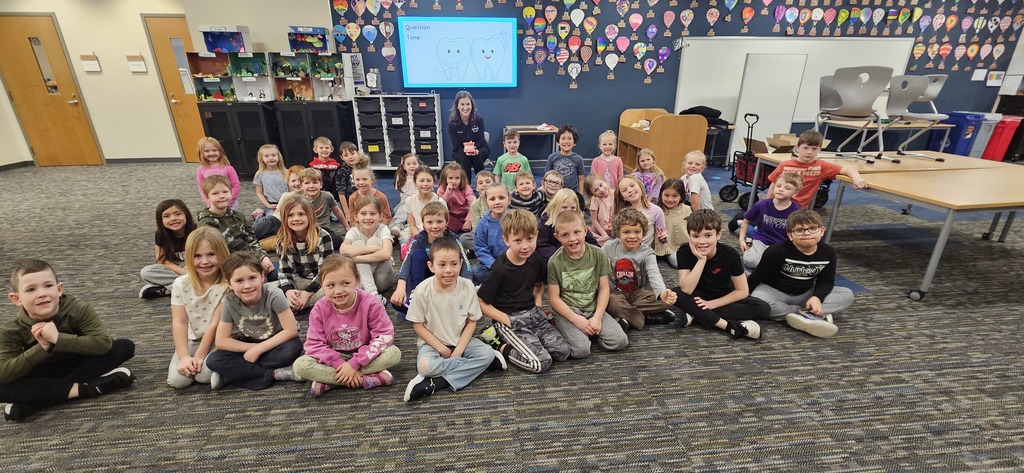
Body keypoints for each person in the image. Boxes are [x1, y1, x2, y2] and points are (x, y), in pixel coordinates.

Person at [0, 259, 136, 422]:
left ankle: (39, 401)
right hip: (43, 371)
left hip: (78, 361)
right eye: (30, 289)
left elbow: (103, 344)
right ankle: (88, 389)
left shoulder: (78, 309)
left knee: (123, 347)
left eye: (48, 286)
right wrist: (43, 348)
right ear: (16, 299)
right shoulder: (10, 330)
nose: (42, 293)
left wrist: (58, 339)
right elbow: (4, 373)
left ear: (59, 289)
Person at [403, 237, 499, 402]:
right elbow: (418, 327)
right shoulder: (422, 291)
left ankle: (439, 382)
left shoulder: (467, 286)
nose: (448, 270)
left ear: (461, 264)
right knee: (426, 367)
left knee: (486, 353)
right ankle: (477, 365)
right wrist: (444, 350)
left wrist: (459, 350)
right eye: (442, 265)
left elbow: (471, 321)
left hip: (461, 339)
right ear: (431, 266)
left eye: (454, 264)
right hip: (433, 344)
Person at [292, 254, 401, 397]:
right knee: (300, 366)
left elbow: (384, 336)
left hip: (365, 355)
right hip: (334, 357)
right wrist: (339, 364)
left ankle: (330, 381)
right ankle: (367, 379)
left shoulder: (371, 302)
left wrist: (354, 364)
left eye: (345, 283)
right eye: (331, 285)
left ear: (356, 280)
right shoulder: (319, 308)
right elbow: (314, 345)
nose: (338, 291)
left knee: (393, 354)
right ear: (322, 285)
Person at [476, 209, 570, 373]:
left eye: (530, 239)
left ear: (536, 235)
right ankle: (499, 345)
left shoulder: (535, 259)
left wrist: (538, 306)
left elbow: (539, 285)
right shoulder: (499, 269)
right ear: (506, 240)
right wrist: (506, 320)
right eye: (518, 240)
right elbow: (482, 302)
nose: (525, 246)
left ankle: (530, 341)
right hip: (509, 319)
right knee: (540, 363)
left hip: (533, 313)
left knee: (563, 352)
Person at [748, 210, 855, 338]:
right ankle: (809, 315)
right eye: (799, 230)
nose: (807, 233)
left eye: (812, 228)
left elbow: (826, 281)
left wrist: (817, 298)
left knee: (847, 294)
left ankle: (803, 315)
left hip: (805, 293)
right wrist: (745, 295)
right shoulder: (776, 251)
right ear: (790, 235)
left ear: (822, 230)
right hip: (774, 291)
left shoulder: (828, 252)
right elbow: (758, 275)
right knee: (759, 299)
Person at [206, 252, 303, 390]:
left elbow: (291, 331)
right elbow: (221, 341)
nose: (247, 286)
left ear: (262, 276)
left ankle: (232, 374)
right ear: (229, 284)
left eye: (252, 278)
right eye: (239, 281)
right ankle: (274, 374)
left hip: (277, 342)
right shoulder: (229, 301)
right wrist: (255, 349)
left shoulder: (274, 295)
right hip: (249, 342)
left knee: (291, 351)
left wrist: (259, 350)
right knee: (213, 360)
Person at [671, 209, 771, 340]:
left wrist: (712, 304)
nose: (702, 241)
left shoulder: (730, 254)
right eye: (696, 236)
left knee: (764, 308)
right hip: (696, 295)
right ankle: (727, 325)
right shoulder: (684, 251)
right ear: (689, 236)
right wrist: (701, 260)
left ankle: (696, 314)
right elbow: (687, 289)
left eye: (708, 235)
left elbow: (742, 291)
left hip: (722, 296)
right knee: (676, 294)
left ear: (718, 235)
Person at [548, 211, 627, 359]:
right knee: (581, 350)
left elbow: (604, 288)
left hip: (592, 308)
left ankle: (590, 330)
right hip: (568, 312)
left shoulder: (598, 254)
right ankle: (563, 326)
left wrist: (597, 317)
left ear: (585, 231)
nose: (572, 239)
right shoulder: (554, 262)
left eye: (577, 232)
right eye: (565, 235)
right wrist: (576, 320)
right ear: (557, 237)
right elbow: (554, 299)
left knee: (620, 341)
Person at [167, 227, 230, 389]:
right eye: (197, 256)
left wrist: (200, 357)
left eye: (211, 254)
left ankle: (228, 373)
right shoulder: (180, 284)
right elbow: (179, 322)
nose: (204, 262)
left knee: (203, 376)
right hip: (193, 338)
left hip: (219, 339)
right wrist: (184, 357)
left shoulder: (227, 284)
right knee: (178, 381)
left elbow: (215, 325)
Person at [390, 202, 473, 317]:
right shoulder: (420, 239)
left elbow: (465, 263)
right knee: (397, 302)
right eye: (430, 222)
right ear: (423, 224)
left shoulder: (453, 239)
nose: (435, 226)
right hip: (423, 280)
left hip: (446, 278)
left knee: (468, 296)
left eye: (439, 221)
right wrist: (400, 286)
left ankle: (434, 308)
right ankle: (417, 297)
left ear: (446, 222)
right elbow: (407, 261)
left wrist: (468, 285)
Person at [603, 208, 679, 330]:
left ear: (643, 232)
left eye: (637, 232)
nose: (632, 236)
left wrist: (662, 292)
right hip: (614, 293)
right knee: (613, 304)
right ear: (618, 233)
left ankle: (626, 316)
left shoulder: (647, 252)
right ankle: (646, 318)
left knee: (667, 300)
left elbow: (654, 273)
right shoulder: (608, 247)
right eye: (626, 232)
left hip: (637, 293)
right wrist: (603, 263)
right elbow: (595, 265)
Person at [767, 130, 867, 210]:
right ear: (797, 148)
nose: (809, 152)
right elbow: (773, 184)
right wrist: (767, 203)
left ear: (819, 149)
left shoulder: (821, 166)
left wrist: (856, 178)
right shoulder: (785, 165)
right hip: (777, 203)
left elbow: (847, 169)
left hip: (798, 209)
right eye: (805, 148)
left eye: (814, 149)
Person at [196, 175, 274, 275]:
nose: (222, 196)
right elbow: (217, 253)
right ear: (207, 197)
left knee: (277, 272)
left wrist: (263, 257)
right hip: (226, 267)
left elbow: (251, 240)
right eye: (215, 193)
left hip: (249, 259)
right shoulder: (206, 224)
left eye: (225, 192)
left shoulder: (238, 216)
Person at [275, 195, 334, 312]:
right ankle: (297, 302)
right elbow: (284, 272)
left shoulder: (323, 237)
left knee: (332, 291)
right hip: (299, 281)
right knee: (272, 290)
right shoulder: (282, 241)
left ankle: (294, 305)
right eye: (290, 215)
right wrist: (288, 291)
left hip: (322, 282)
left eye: (301, 214)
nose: (296, 219)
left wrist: (306, 293)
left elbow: (325, 272)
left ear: (310, 216)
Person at [739, 172, 803, 269]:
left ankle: (752, 231)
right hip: (762, 238)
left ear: (795, 193)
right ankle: (751, 238)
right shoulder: (762, 204)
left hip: (781, 243)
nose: (781, 189)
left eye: (787, 188)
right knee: (751, 262)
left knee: (780, 266)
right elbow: (746, 220)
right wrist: (741, 240)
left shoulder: (797, 211)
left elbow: (799, 233)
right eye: (778, 186)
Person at [340, 195, 396, 305]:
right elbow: (343, 250)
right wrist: (373, 249)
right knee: (358, 243)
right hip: (363, 281)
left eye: (372, 213)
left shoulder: (383, 229)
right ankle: (373, 296)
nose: (368, 217)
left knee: (374, 241)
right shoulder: (354, 231)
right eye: (363, 213)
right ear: (356, 216)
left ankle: (369, 293)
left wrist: (356, 259)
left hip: (383, 278)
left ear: (380, 216)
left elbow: (386, 254)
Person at [140, 199, 196, 299]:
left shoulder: (196, 231)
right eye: (167, 216)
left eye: (178, 214)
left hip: (194, 267)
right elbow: (161, 261)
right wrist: (183, 273)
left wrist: (189, 271)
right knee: (146, 272)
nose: (173, 218)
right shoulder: (161, 235)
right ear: (160, 220)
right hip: (174, 269)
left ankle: (169, 289)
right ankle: (188, 286)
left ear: (186, 214)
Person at [536, 188, 600, 259]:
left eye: (573, 208)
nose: (568, 211)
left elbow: (592, 242)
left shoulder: (578, 222)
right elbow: (540, 246)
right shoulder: (546, 223)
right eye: (564, 207)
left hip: (578, 257)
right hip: (556, 260)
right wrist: (564, 253)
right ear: (556, 206)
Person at [472, 184, 511, 284]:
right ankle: (506, 282)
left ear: (509, 199)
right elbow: (480, 249)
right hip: (493, 263)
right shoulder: (483, 223)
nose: (497, 202)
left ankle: (502, 282)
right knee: (477, 271)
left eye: (501, 198)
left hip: (514, 261)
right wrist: (495, 265)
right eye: (492, 199)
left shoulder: (516, 219)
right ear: (487, 201)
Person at [255, 165, 305, 242]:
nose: (297, 183)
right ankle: (258, 217)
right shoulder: (286, 196)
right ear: (289, 182)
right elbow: (277, 212)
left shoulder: (308, 195)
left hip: (291, 224)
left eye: (300, 180)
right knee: (255, 234)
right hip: (276, 221)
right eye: (293, 181)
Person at [614, 174, 667, 247]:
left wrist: (662, 238)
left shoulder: (656, 211)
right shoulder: (621, 212)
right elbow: (617, 235)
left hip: (644, 253)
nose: (630, 190)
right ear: (623, 197)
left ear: (640, 186)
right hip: (624, 250)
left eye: (632, 185)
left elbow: (663, 236)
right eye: (624, 190)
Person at [297, 167, 347, 244]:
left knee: (338, 240)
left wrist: (346, 227)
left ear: (321, 184)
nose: (311, 186)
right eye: (307, 183)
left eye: (315, 182)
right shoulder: (300, 201)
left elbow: (337, 211)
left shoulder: (327, 196)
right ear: (301, 186)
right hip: (307, 229)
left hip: (324, 229)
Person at [448, 90, 490, 177]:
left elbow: (480, 141)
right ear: (457, 106)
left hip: (480, 147)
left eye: (468, 104)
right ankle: (466, 186)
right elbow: (456, 145)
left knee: (476, 156)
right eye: (462, 104)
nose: (465, 107)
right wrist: (467, 150)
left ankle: (482, 182)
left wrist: (473, 150)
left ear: (472, 105)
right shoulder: (452, 123)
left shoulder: (479, 120)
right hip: (460, 150)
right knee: (464, 158)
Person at [654, 179, 692, 268]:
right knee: (677, 263)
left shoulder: (687, 209)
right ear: (661, 195)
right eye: (666, 195)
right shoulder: (657, 210)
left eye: (675, 196)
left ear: (681, 197)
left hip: (685, 244)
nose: (670, 199)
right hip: (667, 246)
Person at [195, 136, 240, 210]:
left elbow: (236, 186)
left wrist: (229, 202)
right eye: (207, 151)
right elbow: (201, 188)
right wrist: (209, 202)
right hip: (213, 204)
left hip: (230, 204)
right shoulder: (201, 170)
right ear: (201, 153)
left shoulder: (228, 168)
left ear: (220, 151)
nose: (211, 153)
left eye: (214, 150)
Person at [390, 153, 423, 245]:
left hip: (419, 202)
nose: (412, 166)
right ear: (404, 166)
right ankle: (397, 225)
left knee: (416, 215)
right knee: (402, 211)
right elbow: (401, 191)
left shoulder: (422, 177)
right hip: (405, 202)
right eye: (408, 164)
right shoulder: (401, 178)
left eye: (414, 163)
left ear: (419, 164)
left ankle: (408, 227)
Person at [459, 170, 495, 253]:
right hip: (482, 234)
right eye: (480, 183)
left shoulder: (498, 200)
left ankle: (479, 250)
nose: (484, 185)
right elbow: (476, 228)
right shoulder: (475, 205)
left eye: (488, 182)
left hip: (498, 232)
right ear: (477, 188)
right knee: (464, 238)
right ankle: (487, 250)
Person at [252, 144, 288, 223]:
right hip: (272, 205)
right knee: (272, 223)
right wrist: (268, 205)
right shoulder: (260, 174)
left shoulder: (286, 173)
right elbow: (259, 193)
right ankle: (258, 216)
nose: (271, 158)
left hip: (286, 204)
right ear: (262, 159)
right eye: (267, 156)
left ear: (278, 157)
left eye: (273, 155)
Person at [544, 124, 585, 194]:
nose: (566, 141)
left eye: (569, 138)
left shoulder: (578, 159)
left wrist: (580, 195)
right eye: (563, 138)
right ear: (558, 142)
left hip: (572, 193)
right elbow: (546, 177)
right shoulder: (552, 157)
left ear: (574, 142)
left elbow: (581, 179)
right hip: (555, 192)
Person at [436, 162, 475, 234]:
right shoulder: (441, 189)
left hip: (465, 213)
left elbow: (473, 204)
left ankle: (463, 228)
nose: (454, 181)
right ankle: (459, 229)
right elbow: (440, 205)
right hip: (451, 215)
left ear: (461, 178)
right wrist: (447, 192)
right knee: (443, 220)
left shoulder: (466, 188)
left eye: (457, 178)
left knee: (476, 218)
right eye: (450, 178)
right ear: (445, 178)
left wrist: (469, 220)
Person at [334, 144, 369, 221]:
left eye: (352, 153)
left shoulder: (363, 167)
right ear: (342, 157)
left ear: (358, 153)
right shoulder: (341, 172)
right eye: (346, 155)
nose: (350, 157)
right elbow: (341, 193)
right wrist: (347, 213)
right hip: (349, 201)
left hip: (364, 196)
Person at [583, 173, 615, 245]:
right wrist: (604, 235)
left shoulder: (615, 194)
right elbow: (594, 220)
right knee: (585, 231)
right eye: (596, 190)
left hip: (616, 227)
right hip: (601, 230)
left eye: (601, 185)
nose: (601, 190)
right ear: (592, 194)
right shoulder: (595, 200)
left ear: (604, 181)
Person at [310, 136, 341, 205]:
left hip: (334, 198)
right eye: (321, 148)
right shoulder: (312, 166)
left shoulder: (337, 166)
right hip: (317, 198)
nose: (324, 150)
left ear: (331, 149)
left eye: (327, 147)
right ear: (315, 150)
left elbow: (338, 183)